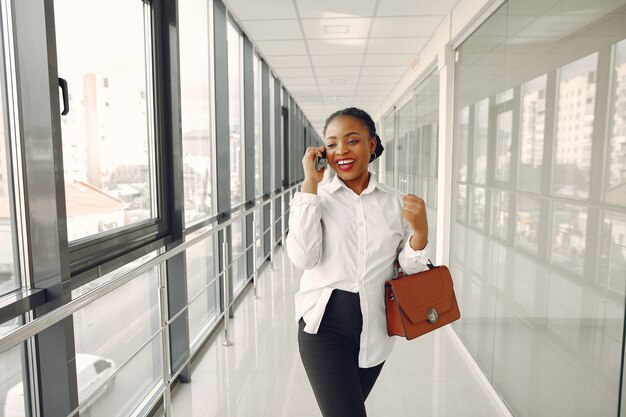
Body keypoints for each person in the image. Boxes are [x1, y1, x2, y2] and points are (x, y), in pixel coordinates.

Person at [286, 107, 430, 417]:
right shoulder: (315, 199)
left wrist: (420, 234)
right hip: (323, 327)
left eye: (352, 141)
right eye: (333, 143)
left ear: (373, 144)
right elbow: (302, 257)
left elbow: (409, 270)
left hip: (375, 329)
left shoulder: (396, 202)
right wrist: (310, 184)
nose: (342, 151)